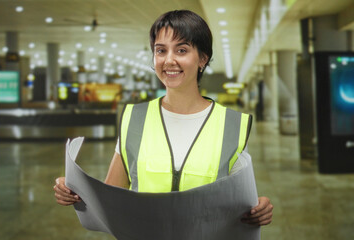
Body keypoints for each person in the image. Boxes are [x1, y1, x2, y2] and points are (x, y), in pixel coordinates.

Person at [54, 10, 273, 227]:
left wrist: (258, 209)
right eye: (161, 50)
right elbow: (111, 198)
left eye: (182, 50)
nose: (169, 60)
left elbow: (243, 205)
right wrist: (76, 192)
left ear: (203, 59)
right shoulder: (135, 118)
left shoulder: (231, 125)